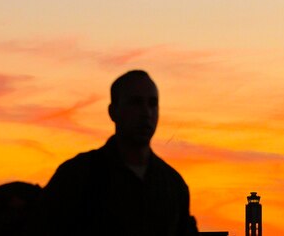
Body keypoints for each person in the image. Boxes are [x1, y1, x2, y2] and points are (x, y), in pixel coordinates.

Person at [32, 70, 199, 236]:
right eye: (135, 102)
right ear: (113, 111)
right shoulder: (77, 176)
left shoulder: (173, 186)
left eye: (152, 103)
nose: (146, 113)